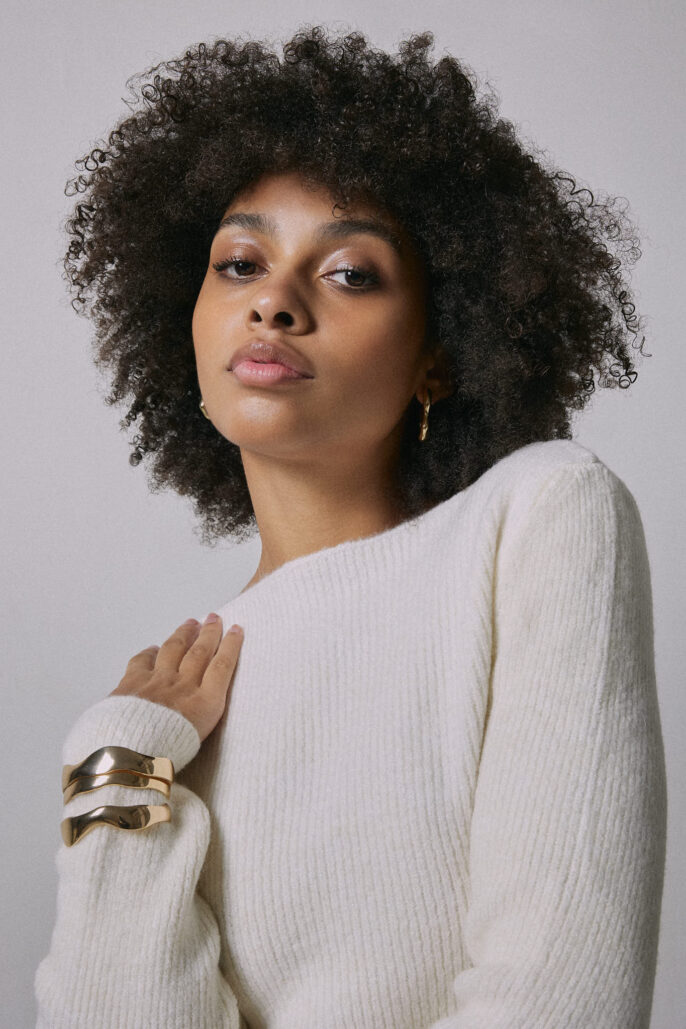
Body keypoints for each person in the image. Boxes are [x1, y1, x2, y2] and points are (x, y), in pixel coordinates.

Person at [34, 24, 667, 1029]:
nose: (273, 304)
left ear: (439, 353)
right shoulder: (174, 698)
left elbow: (561, 998)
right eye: (239, 263)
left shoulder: (536, 517)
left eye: (350, 273)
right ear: (182, 320)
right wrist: (115, 755)